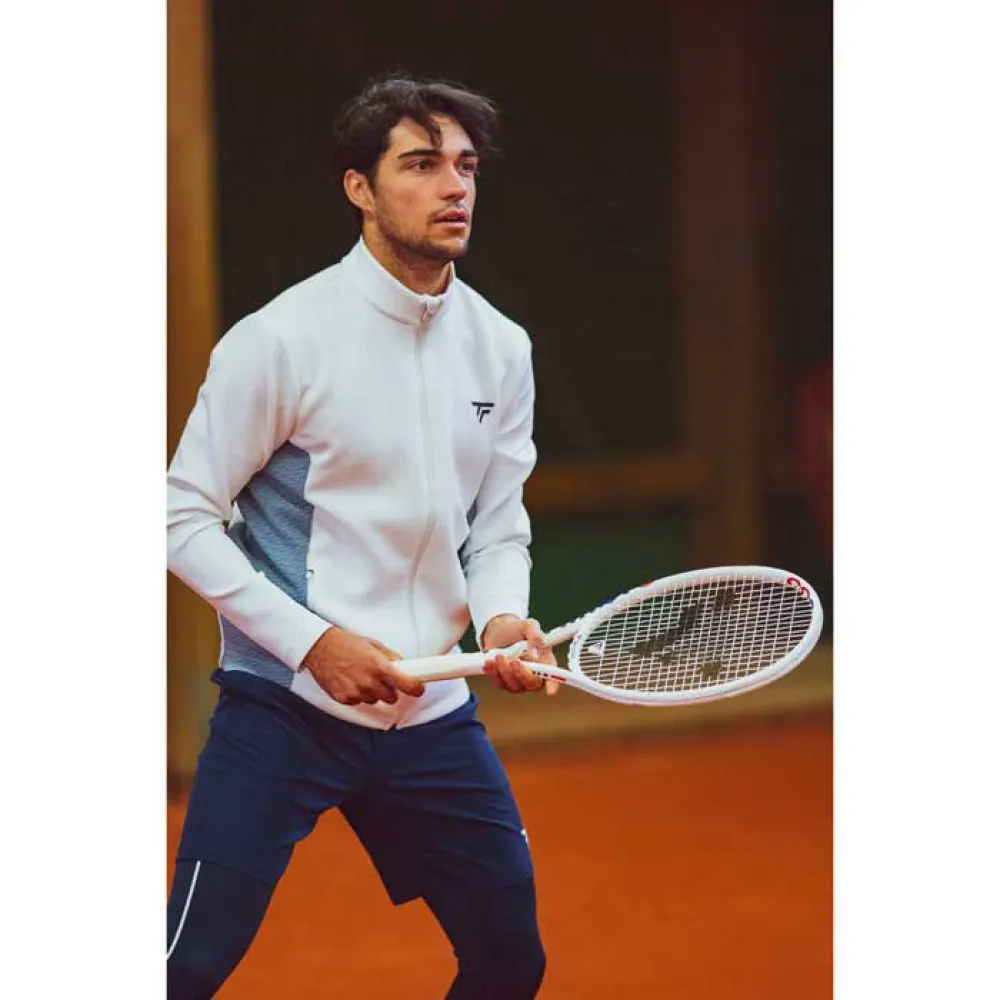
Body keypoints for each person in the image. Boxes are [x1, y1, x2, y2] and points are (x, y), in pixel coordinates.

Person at [166, 73, 558, 999]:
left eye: (466, 166)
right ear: (360, 188)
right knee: (183, 969)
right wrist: (315, 645)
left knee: (511, 961)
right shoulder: (281, 340)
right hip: (285, 709)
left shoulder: (501, 347)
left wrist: (503, 619)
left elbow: (498, 523)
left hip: (432, 713)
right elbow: (180, 516)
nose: (453, 186)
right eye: (420, 165)